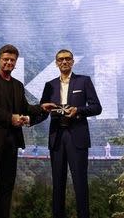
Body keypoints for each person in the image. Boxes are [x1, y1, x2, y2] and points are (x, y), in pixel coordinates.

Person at [0, 44, 44, 218]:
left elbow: (25, 108)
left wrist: (42, 107)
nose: (8, 62)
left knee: (6, 186)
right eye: (5, 59)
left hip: (11, 141)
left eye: (12, 60)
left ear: (15, 63)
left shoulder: (18, 86)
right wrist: (10, 118)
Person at [40, 49, 102, 218]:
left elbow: (97, 107)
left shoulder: (84, 81)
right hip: (57, 137)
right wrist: (29, 119)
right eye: (61, 59)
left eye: (67, 59)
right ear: (56, 63)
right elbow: (42, 110)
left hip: (77, 137)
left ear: (73, 61)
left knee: (80, 183)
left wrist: (78, 110)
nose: (64, 62)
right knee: (57, 184)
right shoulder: (49, 85)